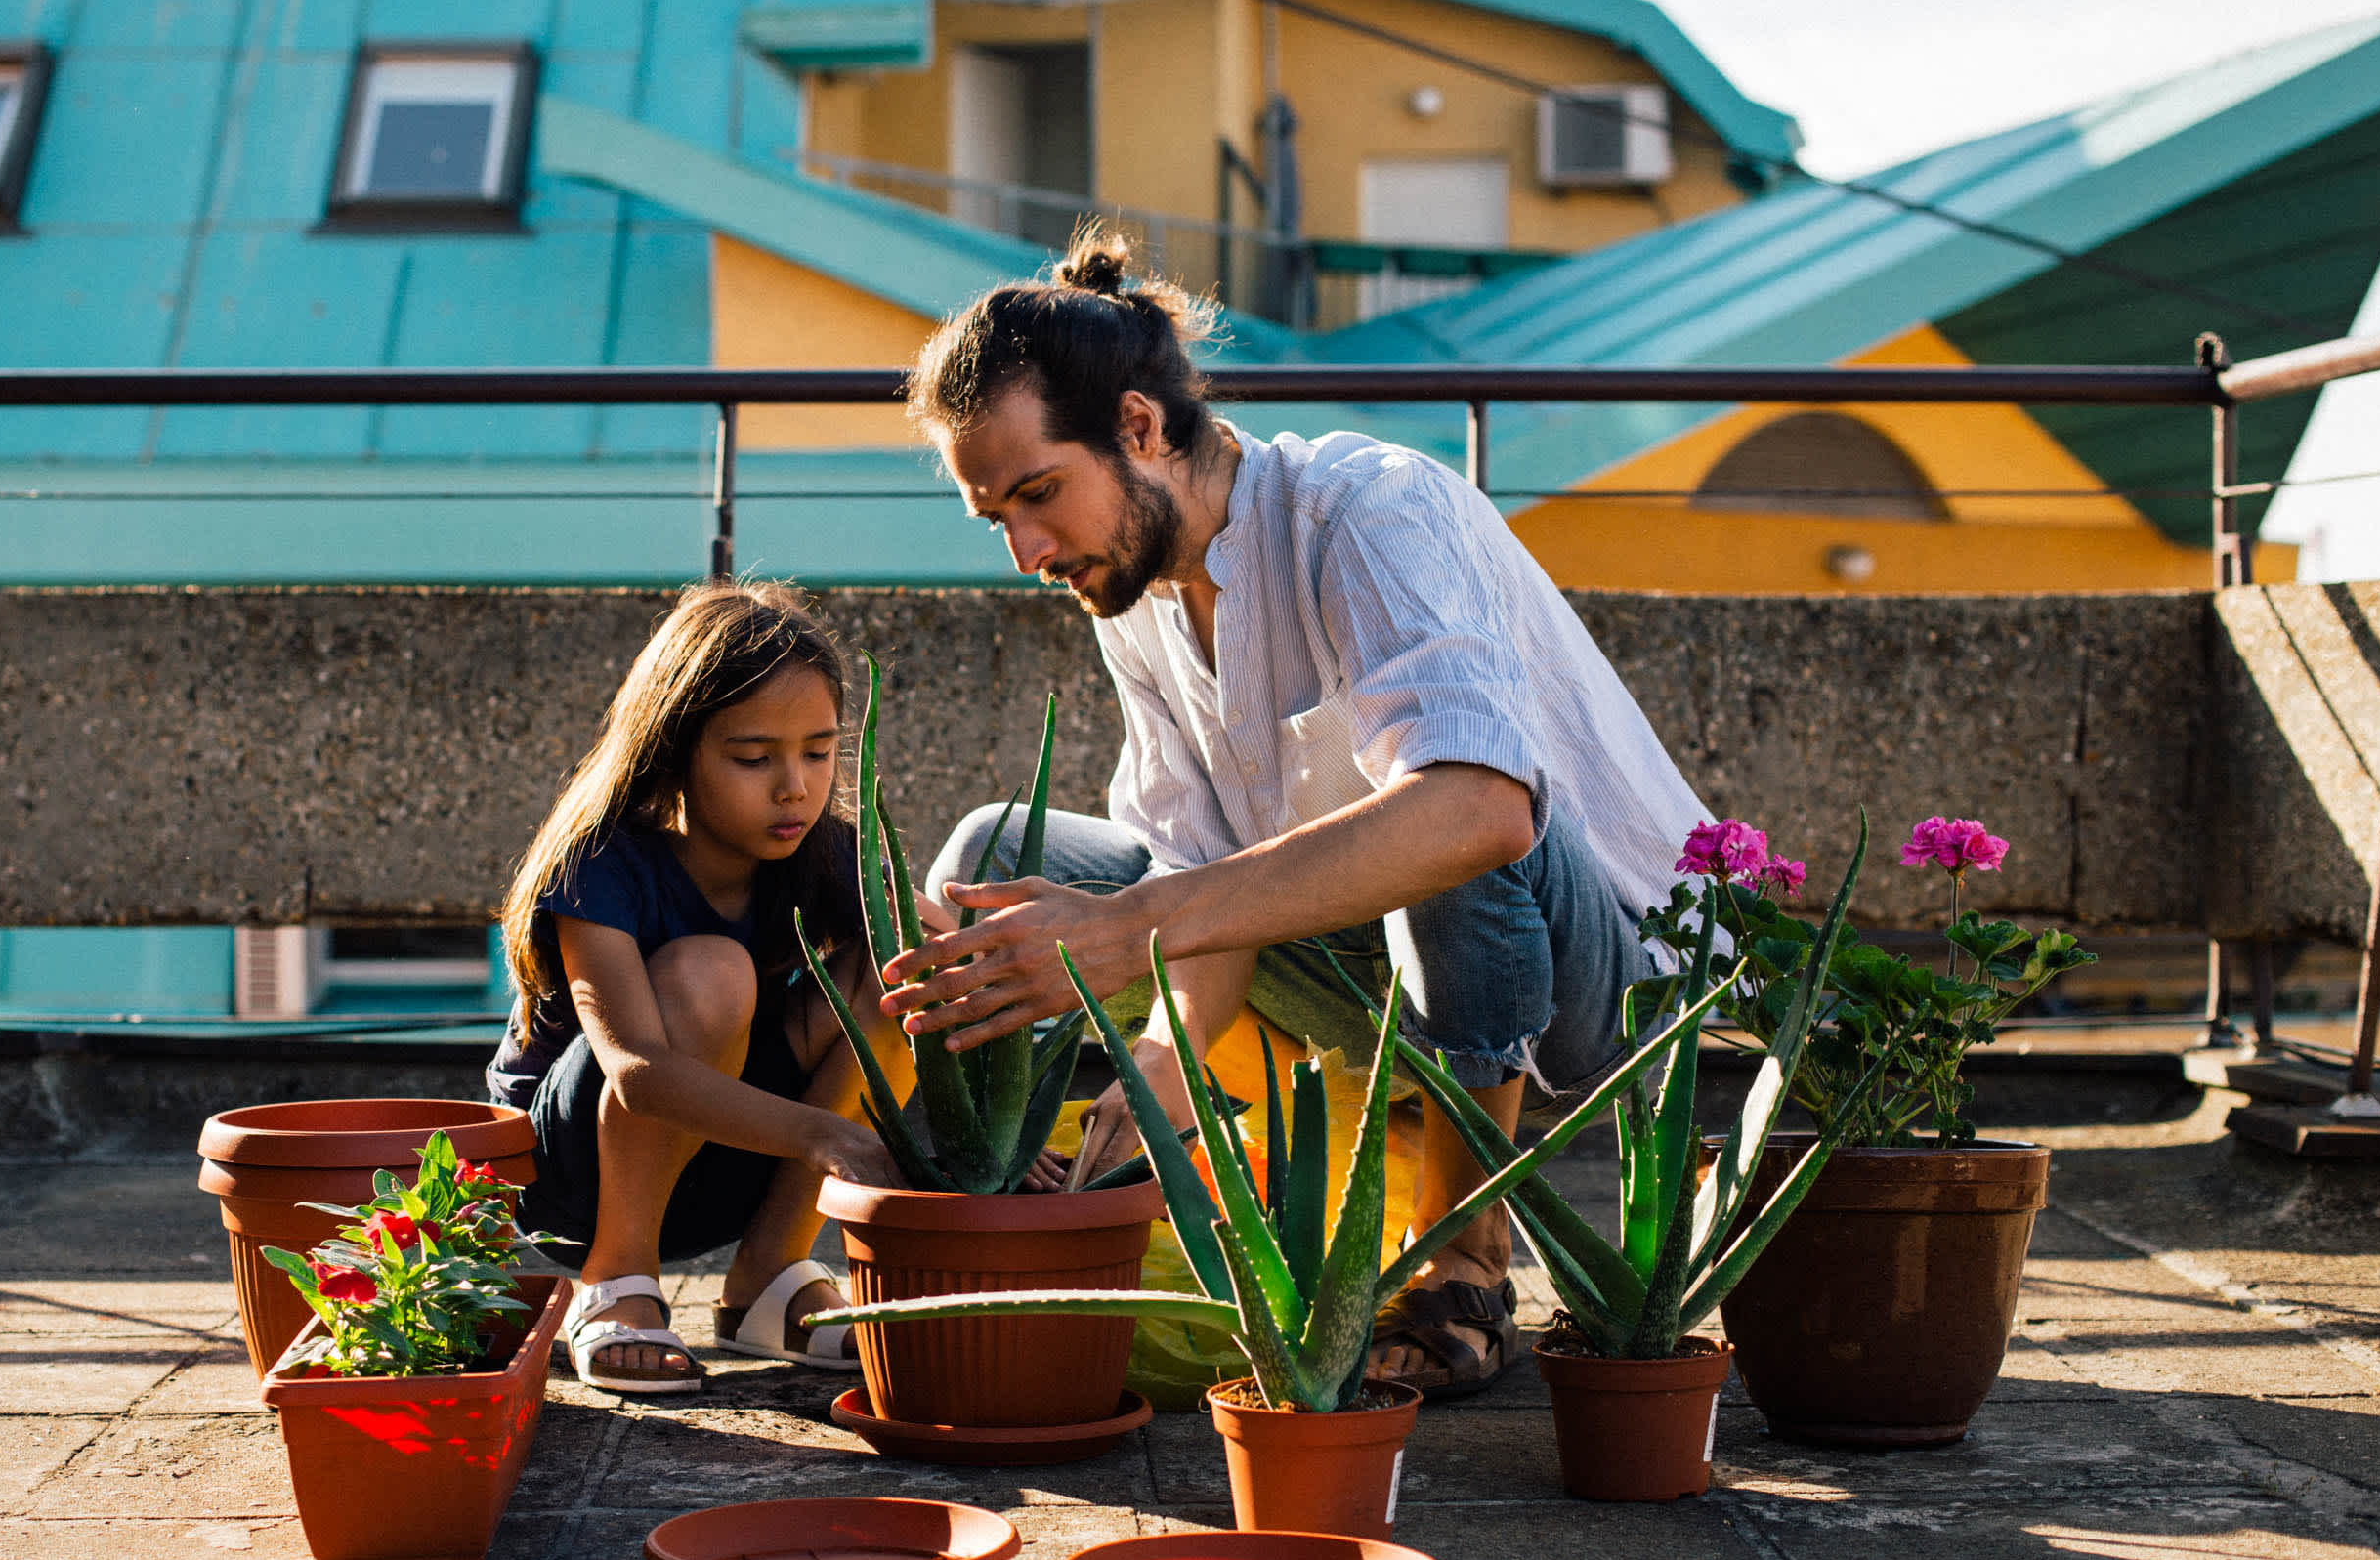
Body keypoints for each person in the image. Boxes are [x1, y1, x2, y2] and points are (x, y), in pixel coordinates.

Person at [879, 233, 1711, 1398]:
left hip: (1597, 986)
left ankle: (1465, 1259)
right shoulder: (1135, 596)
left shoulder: (1367, 510)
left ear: (1135, 428)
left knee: (1448, 805)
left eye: (1035, 495)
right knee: (997, 858)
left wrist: (1130, 929)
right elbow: (1200, 875)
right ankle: (1023, 1208)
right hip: (1361, 979)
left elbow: (1478, 812)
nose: (1024, 550)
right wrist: (1159, 1072)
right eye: (993, 520)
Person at [489, 581, 909, 1395]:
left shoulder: (826, 852)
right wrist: (825, 1135)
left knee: (897, 971)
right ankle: (617, 1281)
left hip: (729, 1159)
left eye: (819, 751)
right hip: (575, 1178)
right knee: (711, 972)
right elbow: (637, 1069)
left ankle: (768, 1274)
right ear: (675, 751)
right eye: (754, 757)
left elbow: (944, 962)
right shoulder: (603, 862)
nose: (794, 785)